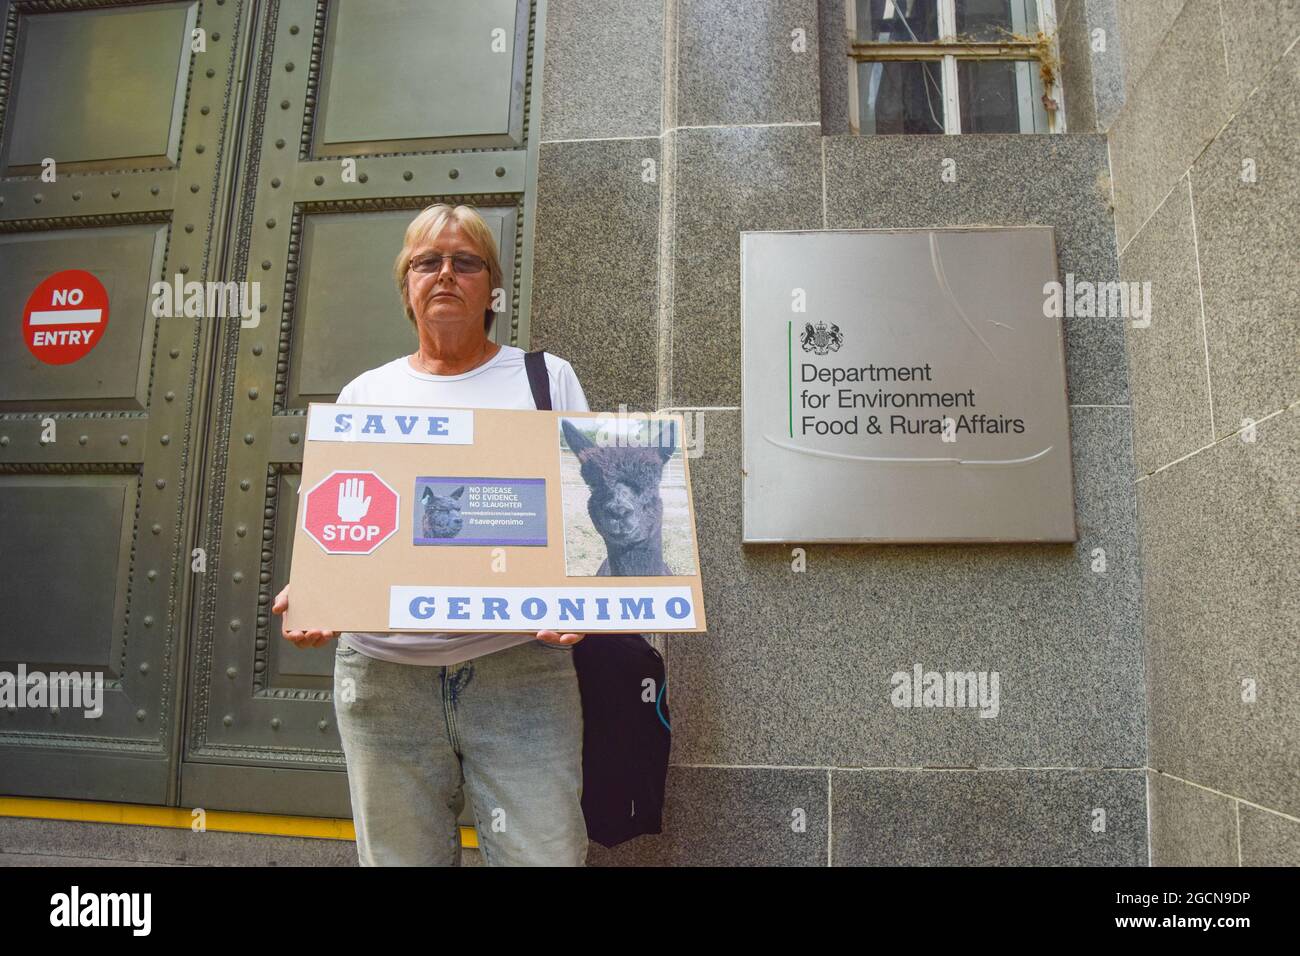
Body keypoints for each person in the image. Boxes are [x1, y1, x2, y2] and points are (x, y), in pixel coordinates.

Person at [272, 203, 590, 866]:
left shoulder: (544, 379)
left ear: (490, 287)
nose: (446, 273)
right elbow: (333, 530)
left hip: (520, 670)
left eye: (465, 261)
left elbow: (584, 512)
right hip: (384, 681)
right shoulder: (365, 394)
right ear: (407, 287)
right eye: (427, 261)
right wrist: (316, 594)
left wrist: (586, 597)